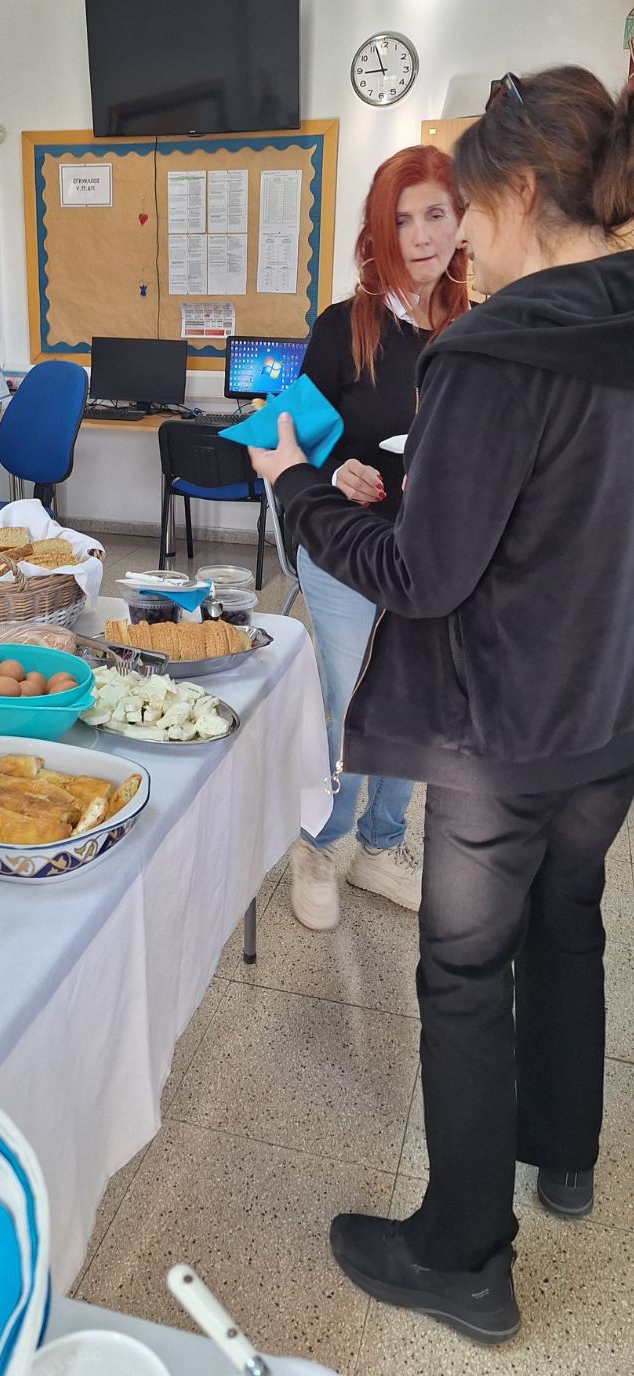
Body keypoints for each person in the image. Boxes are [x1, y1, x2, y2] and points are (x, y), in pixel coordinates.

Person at [250, 65, 634, 1344]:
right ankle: (563, 1150)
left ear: (517, 191)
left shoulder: (496, 346)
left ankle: (463, 1254)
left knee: (465, 970)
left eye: (463, 205)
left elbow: (425, 578)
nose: (455, 233)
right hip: (609, 708)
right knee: (568, 917)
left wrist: (297, 484)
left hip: (501, 723)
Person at [290, 145, 467, 930]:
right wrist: (336, 469)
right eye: (401, 220)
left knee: (416, 701)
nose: (420, 236)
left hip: (431, 555)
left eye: (435, 214)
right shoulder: (344, 327)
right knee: (352, 702)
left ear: (462, 222)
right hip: (345, 548)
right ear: (377, 232)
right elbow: (292, 436)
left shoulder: (471, 330)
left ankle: (380, 845)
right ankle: (318, 846)